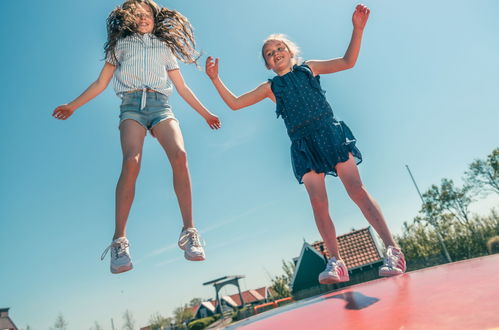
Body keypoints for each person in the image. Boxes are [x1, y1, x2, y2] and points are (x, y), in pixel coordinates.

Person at [205, 4, 405, 284]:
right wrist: (215, 79)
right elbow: (235, 104)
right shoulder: (270, 88)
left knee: (356, 190)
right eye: (269, 54)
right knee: (318, 203)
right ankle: (335, 261)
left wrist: (357, 29)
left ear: (290, 51)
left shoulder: (309, 69)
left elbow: (348, 61)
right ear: (267, 64)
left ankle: (393, 249)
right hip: (303, 144)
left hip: (329, 133)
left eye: (279, 49)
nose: (275, 54)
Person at [53, 0, 220, 274]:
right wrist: (73, 105)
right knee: (132, 161)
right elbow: (100, 83)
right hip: (131, 107)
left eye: (147, 15)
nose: (143, 19)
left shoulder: (164, 47)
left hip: (161, 106)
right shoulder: (120, 46)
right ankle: (119, 242)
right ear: (129, 19)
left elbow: (182, 87)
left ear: (155, 19)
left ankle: (189, 232)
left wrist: (206, 114)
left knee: (180, 155)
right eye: (137, 16)